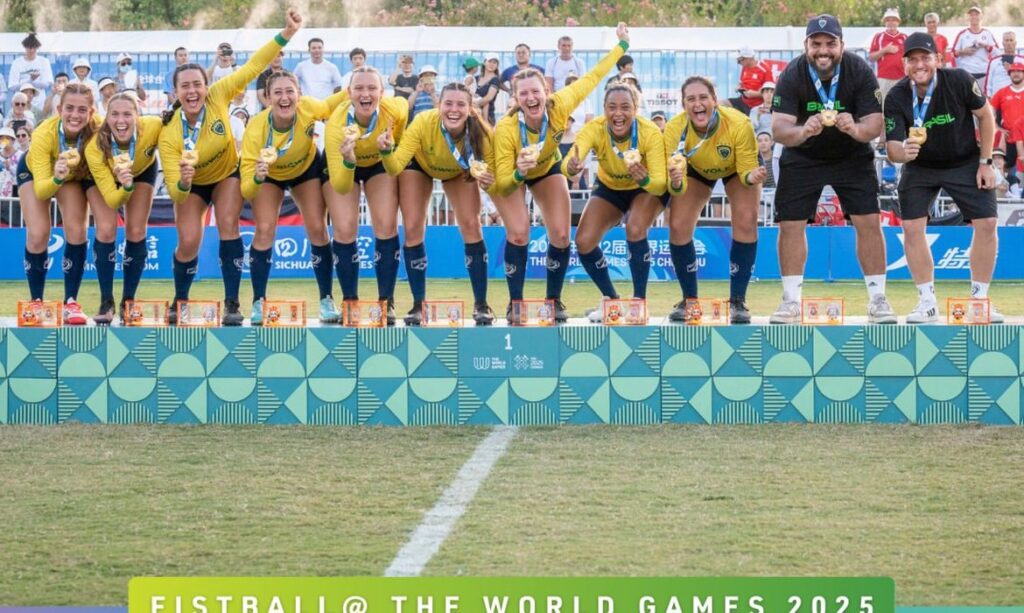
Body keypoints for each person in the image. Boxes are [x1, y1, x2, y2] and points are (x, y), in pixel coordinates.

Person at [159, 8, 302, 326]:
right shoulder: (168, 133)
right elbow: (174, 191)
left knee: (228, 225)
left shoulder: (219, 95)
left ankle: (232, 303)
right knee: (188, 243)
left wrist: (287, 33)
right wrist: (183, 181)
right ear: (176, 93)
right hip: (192, 186)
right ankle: (180, 300)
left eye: (198, 84)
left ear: (207, 86)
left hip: (226, 174)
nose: (193, 91)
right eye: (186, 86)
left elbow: (254, 66)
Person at [495, 22, 630, 322]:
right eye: (523, 94)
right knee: (518, 234)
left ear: (546, 91)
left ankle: (553, 301)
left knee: (560, 235)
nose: (531, 98)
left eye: (536, 92)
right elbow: (504, 184)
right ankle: (515, 304)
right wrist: (518, 173)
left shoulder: (561, 103)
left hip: (546, 168)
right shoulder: (505, 130)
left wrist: (621, 46)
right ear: (515, 99)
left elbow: (594, 77)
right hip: (511, 176)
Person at [770, 14, 897, 324]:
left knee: (868, 221)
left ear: (842, 45)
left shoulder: (859, 70)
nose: (823, 51)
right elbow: (778, 128)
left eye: (830, 44)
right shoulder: (792, 73)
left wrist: (854, 129)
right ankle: (790, 301)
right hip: (803, 156)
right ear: (806, 45)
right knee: (790, 224)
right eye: (816, 44)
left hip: (851, 155)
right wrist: (803, 132)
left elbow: (875, 124)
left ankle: (878, 299)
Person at [884, 32, 1003, 323]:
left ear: (938, 59)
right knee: (911, 228)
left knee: (987, 223)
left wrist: (986, 162)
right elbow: (892, 149)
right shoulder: (897, 95)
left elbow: (986, 116)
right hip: (921, 165)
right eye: (913, 60)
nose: (920, 64)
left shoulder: (959, 80)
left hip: (964, 160)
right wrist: (904, 153)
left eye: (926, 57)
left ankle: (979, 301)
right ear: (904, 64)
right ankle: (926, 302)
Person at [377, 82, 503, 325]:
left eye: (460, 104)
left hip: (458, 170)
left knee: (471, 225)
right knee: (413, 227)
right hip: (419, 165)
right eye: (448, 103)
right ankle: (418, 305)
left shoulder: (483, 134)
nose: (453, 110)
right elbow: (395, 167)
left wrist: (489, 181)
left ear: (470, 108)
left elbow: (495, 179)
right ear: (439, 104)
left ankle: (481, 304)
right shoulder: (424, 121)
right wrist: (385, 151)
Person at [239, 70, 348, 325]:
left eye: (290, 91)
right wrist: (256, 177)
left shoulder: (309, 108)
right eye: (277, 92)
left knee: (318, 229)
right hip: (269, 175)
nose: (284, 97)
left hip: (305, 169)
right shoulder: (255, 127)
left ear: (299, 95)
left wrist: (355, 90)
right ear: (266, 98)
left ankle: (326, 300)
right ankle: (259, 302)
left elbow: (331, 104)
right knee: (264, 229)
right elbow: (246, 189)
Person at [664, 75, 766, 324]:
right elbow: (673, 181)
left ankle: (738, 301)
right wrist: (675, 180)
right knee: (677, 224)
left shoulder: (739, 124)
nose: (697, 104)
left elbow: (744, 173)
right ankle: (690, 300)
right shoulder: (674, 128)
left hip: (738, 168)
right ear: (683, 105)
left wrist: (752, 177)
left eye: (703, 98)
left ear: (714, 100)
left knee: (746, 219)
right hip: (696, 168)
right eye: (690, 99)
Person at [562, 82, 667, 319]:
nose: (618, 113)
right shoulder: (595, 128)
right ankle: (611, 301)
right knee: (584, 241)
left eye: (625, 107)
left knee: (635, 227)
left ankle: (639, 302)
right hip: (610, 186)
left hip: (646, 186)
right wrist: (570, 167)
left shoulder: (649, 132)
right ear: (604, 109)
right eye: (611, 107)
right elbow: (571, 159)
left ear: (635, 109)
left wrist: (645, 179)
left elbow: (661, 183)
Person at [325, 66, 409, 325]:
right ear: (348, 93)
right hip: (345, 165)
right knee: (344, 228)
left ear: (382, 93)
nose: (366, 93)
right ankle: (350, 301)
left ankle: (386, 302)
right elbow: (339, 185)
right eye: (359, 88)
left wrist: (391, 147)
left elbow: (404, 111)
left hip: (378, 164)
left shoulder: (394, 109)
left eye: (372, 88)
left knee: (385, 224)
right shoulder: (336, 126)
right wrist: (349, 162)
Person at [18, 83, 102, 325]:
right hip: (38, 173)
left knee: (77, 230)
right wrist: (56, 176)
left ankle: (71, 302)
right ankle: (36, 302)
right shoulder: (45, 133)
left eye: (82, 110)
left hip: (71, 176)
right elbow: (43, 188)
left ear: (92, 111)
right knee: (38, 233)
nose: (75, 115)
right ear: (59, 109)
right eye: (69, 108)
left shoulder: (98, 129)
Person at [84, 91, 162, 324]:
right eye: (115, 114)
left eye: (127, 114)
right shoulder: (94, 147)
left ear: (137, 117)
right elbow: (112, 200)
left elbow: (176, 126)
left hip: (141, 169)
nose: (121, 120)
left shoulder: (153, 125)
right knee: (106, 229)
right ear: (106, 118)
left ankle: (129, 301)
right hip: (107, 176)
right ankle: (106, 301)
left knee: (137, 231)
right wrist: (125, 186)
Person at [990, 63, 1024, 175]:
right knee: (1005, 168)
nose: (1016, 74)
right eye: (1013, 71)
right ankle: (1006, 190)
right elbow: (989, 112)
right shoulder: (1002, 93)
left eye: (1019, 71)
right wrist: (997, 128)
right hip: (1009, 138)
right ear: (1009, 74)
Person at [868, 8, 907, 101]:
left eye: (893, 19)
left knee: (901, 106)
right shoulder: (878, 36)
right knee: (882, 106)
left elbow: (911, 57)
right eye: (888, 20)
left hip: (902, 78)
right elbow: (871, 57)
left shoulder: (905, 37)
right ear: (885, 22)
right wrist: (885, 50)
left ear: (898, 22)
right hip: (883, 78)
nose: (891, 22)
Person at [952, 7, 997, 82]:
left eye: (976, 14)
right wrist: (962, 52)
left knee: (982, 94)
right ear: (968, 18)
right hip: (966, 73)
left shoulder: (987, 33)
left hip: (983, 73)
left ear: (981, 17)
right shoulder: (962, 34)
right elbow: (952, 53)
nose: (974, 17)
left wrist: (986, 46)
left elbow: (997, 53)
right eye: (971, 15)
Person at [8, 33, 53, 103]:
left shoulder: (44, 62)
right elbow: (12, 86)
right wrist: (30, 79)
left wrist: (33, 81)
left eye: (34, 47)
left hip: (39, 103)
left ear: (37, 47)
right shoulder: (16, 63)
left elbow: (47, 84)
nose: (31, 50)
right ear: (25, 47)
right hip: (21, 103)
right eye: (29, 47)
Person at [726, 46, 770, 115]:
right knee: (720, 104)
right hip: (743, 101)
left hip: (758, 106)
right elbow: (741, 83)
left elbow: (772, 93)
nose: (738, 63)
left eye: (740, 60)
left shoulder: (764, 69)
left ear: (748, 58)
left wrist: (755, 94)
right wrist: (739, 88)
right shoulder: (744, 68)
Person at [984, 32, 1023, 98]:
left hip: (1017, 98)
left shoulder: (1022, 60)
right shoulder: (994, 61)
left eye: (1011, 40)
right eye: (1006, 40)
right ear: (1003, 43)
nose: (1009, 43)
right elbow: (988, 84)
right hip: (997, 98)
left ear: (1015, 43)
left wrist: (1011, 71)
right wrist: (989, 98)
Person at [475, 53, 501, 125]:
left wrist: (474, 104)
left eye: (494, 62)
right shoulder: (476, 78)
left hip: (488, 117)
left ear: (497, 65)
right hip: (474, 115)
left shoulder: (495, 80)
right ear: (484, 62)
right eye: (490, 61)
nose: (492, 64)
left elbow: (489, 97)